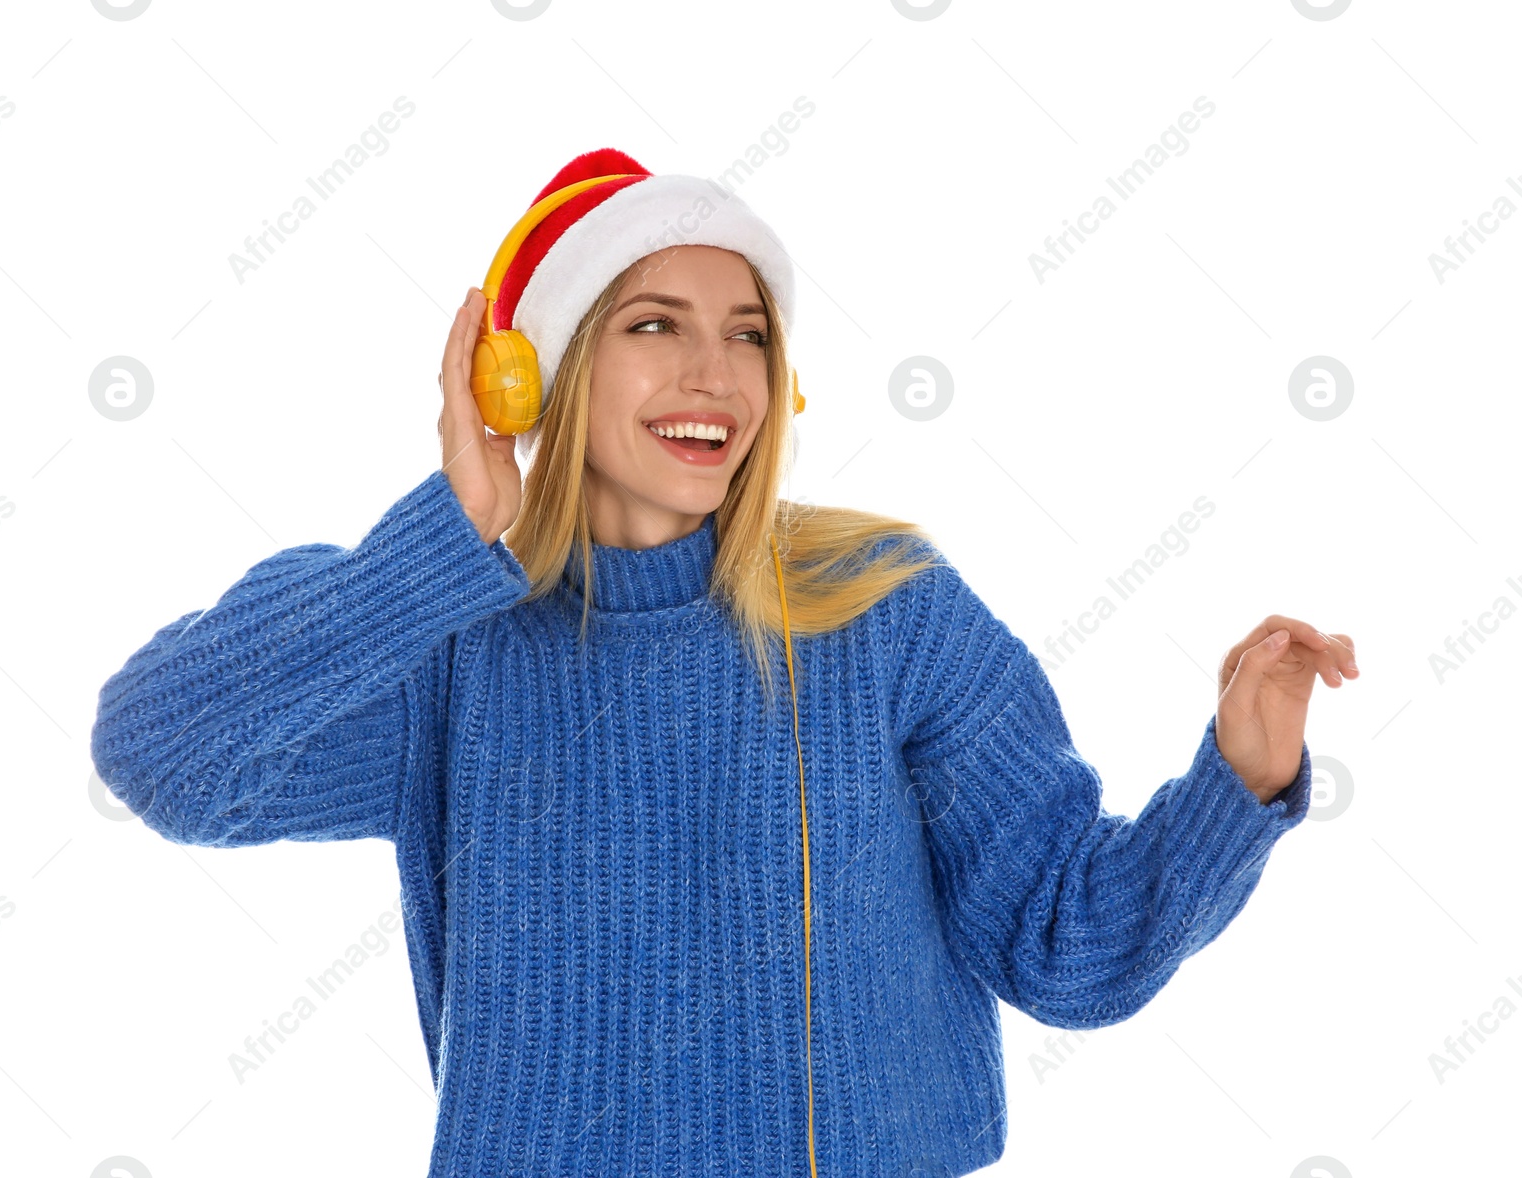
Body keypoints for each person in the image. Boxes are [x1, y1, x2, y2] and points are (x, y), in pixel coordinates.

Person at [89, 147, 1359, 1177]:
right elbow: (160, 754)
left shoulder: (883, 610)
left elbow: (1063, 944)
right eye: (656, 323)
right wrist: (446, 538)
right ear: (533, 374)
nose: (715, 373)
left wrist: (1236, 785)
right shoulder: (442, 638)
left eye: (747, 334)